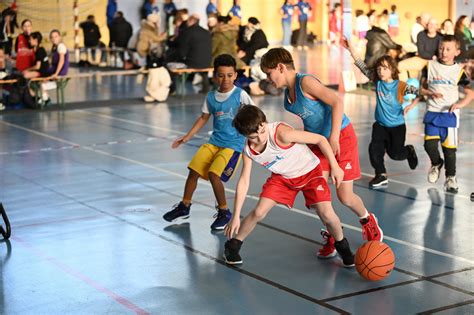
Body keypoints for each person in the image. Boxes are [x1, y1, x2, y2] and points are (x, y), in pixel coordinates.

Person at [260, 48, 383, 258]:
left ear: (280, 67)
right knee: (319, 197)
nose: (268, 78)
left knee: (344, 196)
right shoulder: (287, 96)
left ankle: (367, 220)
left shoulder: (305, 82)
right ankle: (334, 237)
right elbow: (310, 121)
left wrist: (333, 136)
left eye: (268, 73)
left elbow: (337, 102)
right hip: (318, 144)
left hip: (341, 136)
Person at [223, 105, 355, 267]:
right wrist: (236, 215)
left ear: (266, 122)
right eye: (253, 137)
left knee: (327, 214)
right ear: (244, 135)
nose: (260, 138)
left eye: (262, 131)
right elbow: (244, 181)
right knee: (259, 211)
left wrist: (335, 166)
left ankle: (343, 247)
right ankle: (233, 246)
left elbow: (320, 140)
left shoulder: (282, 133)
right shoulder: (248, 151)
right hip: (283, 178)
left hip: (310, 173)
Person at [162, 54, 255, 229]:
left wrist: (257, 138)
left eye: (229, 75)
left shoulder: (240, 95)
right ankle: (185, 206)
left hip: (233, 145)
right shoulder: (211, 97)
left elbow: (255, 116)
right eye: (221, 75)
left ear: (235, 75)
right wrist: (187, 136)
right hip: (214, 142)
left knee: (214, 174)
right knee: (193, 170)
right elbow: (204, 118)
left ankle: (224, 212)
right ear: (215, 76)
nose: (225, 79)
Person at [343, 38, 419, 188]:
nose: (381, 71)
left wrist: (411, 105)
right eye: (379, 69)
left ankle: (409, 151)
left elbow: (419, 94)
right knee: (374, 149)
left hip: (397, 127)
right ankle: (381, 174)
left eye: (385, 68)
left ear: (392, 69)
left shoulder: (400, 86)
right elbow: (361, 65)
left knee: (395, 154)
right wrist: (351, 48)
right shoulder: (377, 82)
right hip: (380, 125)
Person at [415, 35, 473, 193]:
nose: (444, 52)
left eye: (448, 49)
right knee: (429, 145)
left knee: (449, 150)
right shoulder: (429, 66)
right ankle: (436, 163)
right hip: (432, 112)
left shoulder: (458, 72)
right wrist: (428, 93)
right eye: (441, 48)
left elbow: (470, 93)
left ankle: (451, 177)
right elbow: (421, 88)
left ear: (457, 51)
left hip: (449, 115)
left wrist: (459, 104)